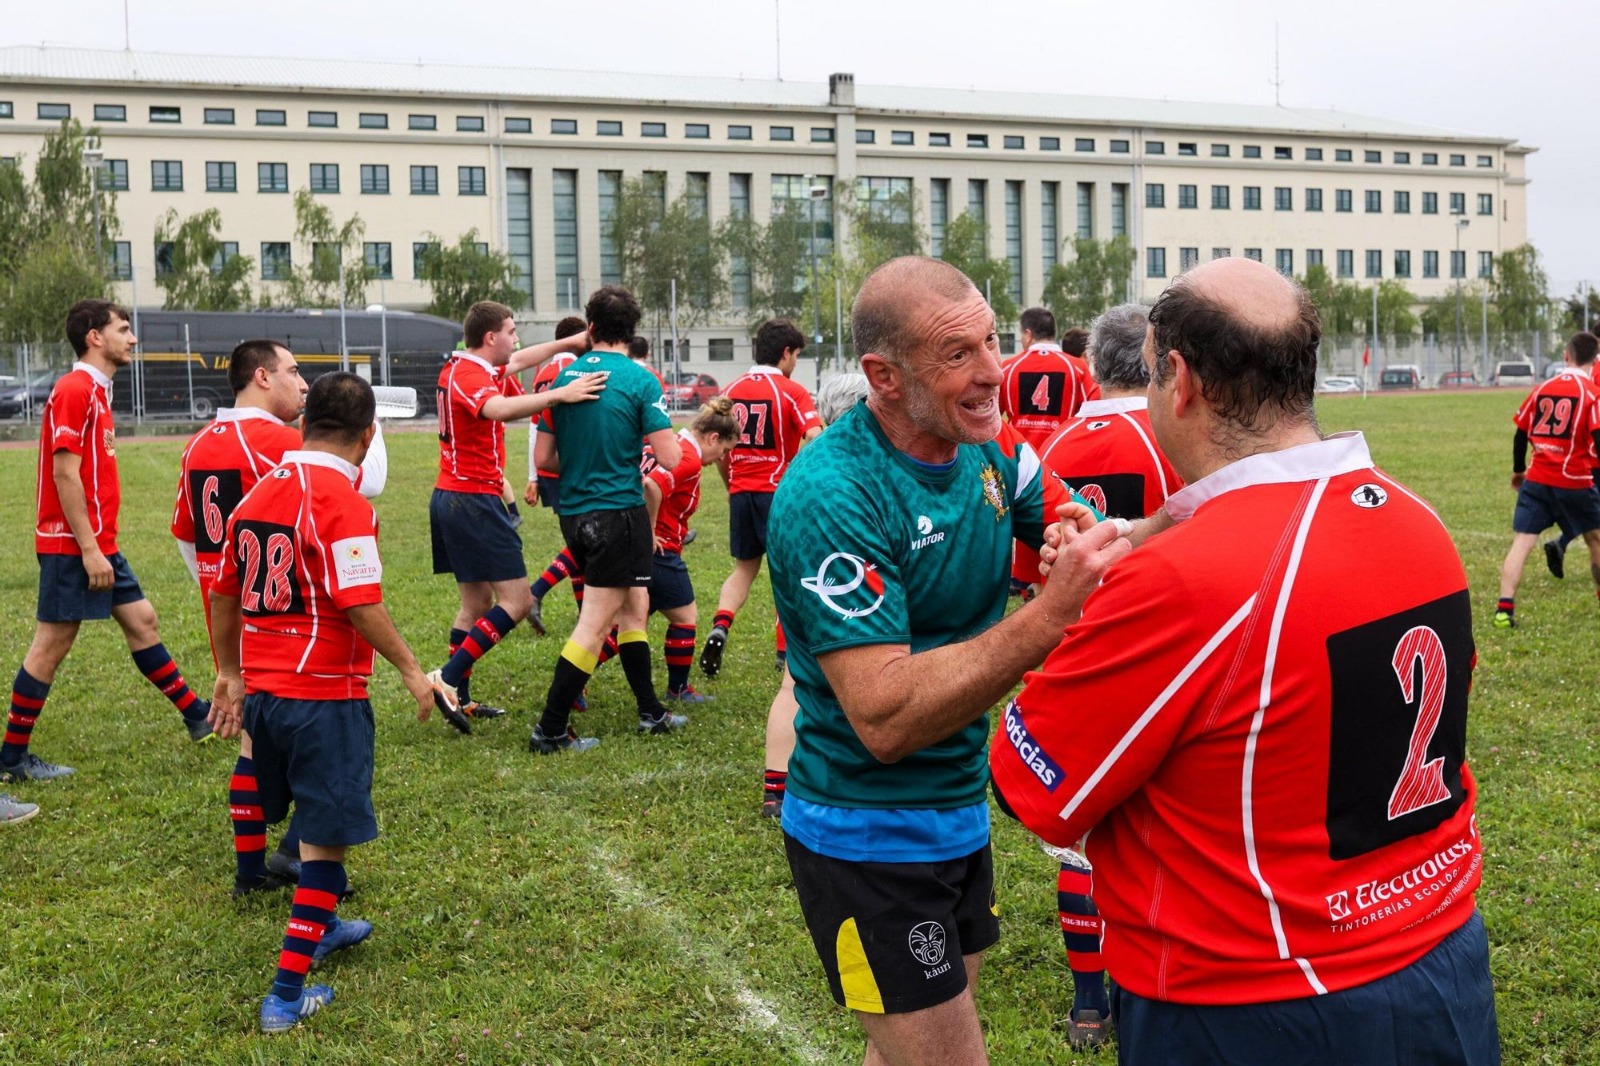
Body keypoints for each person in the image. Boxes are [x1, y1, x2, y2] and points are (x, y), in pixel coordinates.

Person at [990, 258, 1498, 1066]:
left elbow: (1034, 788)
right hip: (1443, 961)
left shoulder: (1186, 581)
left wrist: (1071, 613)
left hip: (1255, 1002)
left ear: (1179, 379)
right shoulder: (1419, 520)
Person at [766, 257, 1128, 1065]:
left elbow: (1070, 515)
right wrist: (1050, 615)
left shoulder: (989, 450)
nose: (993, 370)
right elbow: (885, 717)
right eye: (957, 354)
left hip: (955, 813)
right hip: (867, 836)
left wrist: (1071, 527)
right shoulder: (837, 494)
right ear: (884, 376)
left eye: (992, 341)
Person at [207, 372, 439, 1034]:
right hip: (324, 699)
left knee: (308, 820)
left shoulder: (259, 491)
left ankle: (325, 922)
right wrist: (413, 671)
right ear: (369, 436)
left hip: (267, 697)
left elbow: (223, 592)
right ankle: (285, 995)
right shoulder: (342, 498)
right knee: (325, 845)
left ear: (304, 426)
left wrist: (229, 671)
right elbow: (359, 601)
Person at [171, 338, 389, 895]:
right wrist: (368, 418)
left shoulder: (198, 444)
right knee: (312, 748)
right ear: (262, 377)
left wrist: (223, 584)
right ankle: (303, 861)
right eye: (294, 371)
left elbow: (187, 537)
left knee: (251, 740)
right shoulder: (279, 442)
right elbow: (364, 479)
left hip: (232, 602)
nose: (302, 383)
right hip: (288, 612)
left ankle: (252, 871)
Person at [1027, 303, 1182, 1049]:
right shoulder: (1172, 435)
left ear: (1091, 364)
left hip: (1076, 649)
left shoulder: (1051, 444)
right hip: (1158, 647)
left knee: (1078, 837)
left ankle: (1089, 1005)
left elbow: (1032, 572)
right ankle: (1146, 975)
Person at [2, 301, 215, 789]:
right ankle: (12, 757)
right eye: (124, 330)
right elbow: (64, 474)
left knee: (142, 620)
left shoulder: (97, 391)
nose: (133, 339)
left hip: (98, 543)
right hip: (74, 546)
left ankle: (198, 716)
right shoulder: (75, 389)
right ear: (95, 337)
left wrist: (101, 546)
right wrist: (90, 550)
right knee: (51, 644)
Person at [427, 302, 605, 731]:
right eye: (511, 331)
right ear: (490, 338)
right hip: (472, 501)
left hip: (453, 497)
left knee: (476, 604)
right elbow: (498, 410)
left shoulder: (467, 366)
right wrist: (560, 394)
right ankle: (446, 679)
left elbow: (523, 360)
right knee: (519, 601)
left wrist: (572, 341)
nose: (516, 338)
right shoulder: (471, 376)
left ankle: (460, 699)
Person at [529, 285, 684, 753]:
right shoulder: (640, 380)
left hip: (575, 513)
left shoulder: (565, 378)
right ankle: (550, 729)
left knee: (635, 608)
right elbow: (671, 457)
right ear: (631, 332)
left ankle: (650, 711)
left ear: (590, 328)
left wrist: (586, 460)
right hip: (618, 511)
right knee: (595, 624)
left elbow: (544, 459)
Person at [760, 372, 868, 819]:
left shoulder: (803, 465)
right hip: (850, 595)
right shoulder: (870, 466)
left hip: (801, 591)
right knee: (864, 684)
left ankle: (776, 789)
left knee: (795, 684)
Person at [700, 319, 821, 678]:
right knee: (790, 574)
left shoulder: (731, 389)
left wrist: (731, 485)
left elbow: (718, 449)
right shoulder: (790, 391)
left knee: (744, 569)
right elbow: (815, 437)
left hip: (742, 493)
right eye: (796, 355)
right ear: (785, 353)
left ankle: (721, 625)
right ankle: (785, 652)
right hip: (778, 495)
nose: (795, 362)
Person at [1495, 330, 1600, 627]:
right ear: (1594, 359)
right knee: (1596, 539)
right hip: (1574, 479)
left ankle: (1504, 609)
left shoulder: (1543, 387)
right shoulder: (1591, 394)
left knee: (1522, 543)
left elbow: (1520, 432)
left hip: (1537, 478)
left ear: (1566, 356)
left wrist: (1518, 469)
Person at [642, 397, 740, 702]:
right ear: (713, 437)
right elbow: (652, 486)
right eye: (723, 451)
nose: (719, 459)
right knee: (685, 616)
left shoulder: (672, 442)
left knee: (624, 624)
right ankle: (679, 689)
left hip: (637, 546)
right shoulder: (687, 457)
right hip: (660, 550)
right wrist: (650, 534)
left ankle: (575, 686)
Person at [1000, 307, 1099, 598]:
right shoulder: (1078, 368)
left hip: (1024, 467)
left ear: (1028, 334)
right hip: (1065, 460)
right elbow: (1094, 410)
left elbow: (995, 419)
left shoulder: (1009, 368)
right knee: (1065, 527)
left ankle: (1033, 590)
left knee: (1034, 534)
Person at [524, 315, 590, 636]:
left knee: (576, 540)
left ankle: (582, 613)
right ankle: (535, 592)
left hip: (547, 464)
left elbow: (534, 426)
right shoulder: (576, 372)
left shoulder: (543, 372)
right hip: (572, 466)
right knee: (581, 543)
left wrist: (534, 475)